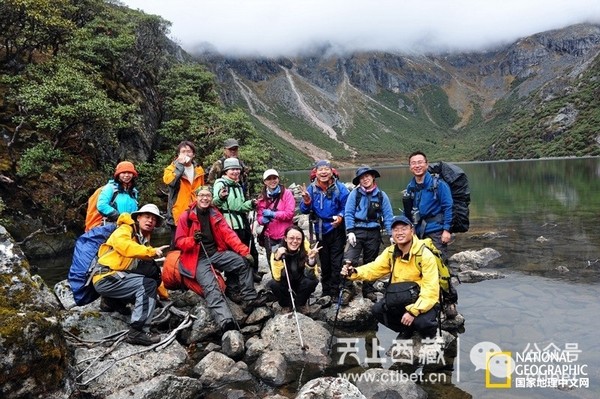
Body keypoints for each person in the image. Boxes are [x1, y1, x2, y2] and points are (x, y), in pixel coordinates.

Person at [175, 186, 267, 331]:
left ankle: (249, 298)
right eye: (202, 195)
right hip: (197, 259)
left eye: (208, 196)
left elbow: (228, 234)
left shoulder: (215, 213)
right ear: (196, 197)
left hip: (215, 253)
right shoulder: (186, 217)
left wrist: (244, 251)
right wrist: (192, 240)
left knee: (243, 263)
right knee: (212, 288)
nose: (205, 198)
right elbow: (179, 241)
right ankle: (226, 321)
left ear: (211, 198)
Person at [341, 215, 440, 339]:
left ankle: (428, 336)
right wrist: (353, 272)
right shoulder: (391, 252)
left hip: (421, 299)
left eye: (403, 229)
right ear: (391, 233)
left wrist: (413, 312)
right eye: (396, 230)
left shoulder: (424, 255)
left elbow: (430, 290)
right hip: (401, 297)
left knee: (423, 323)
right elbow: (374, 268)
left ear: (412, 230)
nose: (399, 233)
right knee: (377, 310)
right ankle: (406, 329)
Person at [92, 204, 169, 346]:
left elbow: (153, 272)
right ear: (138, 217)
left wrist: (164, 296)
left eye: (154, 219)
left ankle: (111, 301)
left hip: (114, 278)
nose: (150, 221)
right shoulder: (125, 229)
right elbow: (123, 246)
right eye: (147, 217)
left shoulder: (142, 239)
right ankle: (137, 332)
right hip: (106, 277)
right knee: (147, 285)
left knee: (151, 272)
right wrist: (151, 252)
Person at [404, 151, 457, 317]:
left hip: (436, 230)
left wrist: (447, 230)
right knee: (420, 267)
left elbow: (448, 207)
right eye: (414, 163)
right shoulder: (411, 187)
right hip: (419, 232)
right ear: (410, 167)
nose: (417, 166)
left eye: (420, 162)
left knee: (441, 266)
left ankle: (449, 301)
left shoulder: (438, 184)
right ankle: (428, 300)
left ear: (426, 165)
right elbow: (408, 214)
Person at [299, 159, 349, 300]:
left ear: (331, 171)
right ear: (316, 172)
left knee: (336, 261)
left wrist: (340, 216)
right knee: (324, 261)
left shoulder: (340, 188)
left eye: (326, 169)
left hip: (336, 229)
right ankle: (326, 290)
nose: (323, 172)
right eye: (320, 169)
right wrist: (307, 201)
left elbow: (347, 207)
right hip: (320, 229)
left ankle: (335, 290)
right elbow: (304, 210)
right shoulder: (311, 188)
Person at [344, 166, 394, 302]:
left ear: (373, 177)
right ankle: (347, 288)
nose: (365, 179)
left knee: (371, 262)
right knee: (349, 259)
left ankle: (368, 288)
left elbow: (388, 216)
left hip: (374, 232)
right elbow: (348, 213)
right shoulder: (355, 194)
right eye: (362, 177)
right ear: (359, 180)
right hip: (357, 230)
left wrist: (391, 234)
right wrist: (350, 231)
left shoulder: (381, 195)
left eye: (367, 176)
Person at [212, 157, 260, 281]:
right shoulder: (220, 183)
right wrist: (221, 197)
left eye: (237, 169)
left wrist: (250, 204)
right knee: (233, 253)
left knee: (250, 249)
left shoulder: (237, 185)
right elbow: (214, 202)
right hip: (228, 223)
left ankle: (251, 273)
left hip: (241, 222)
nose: (235, 172)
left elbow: (240, 206)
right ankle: (233, 282)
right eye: (232, 169)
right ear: (225, 171)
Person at [268, 226, 321, 314]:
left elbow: (312, 276)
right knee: (273, 284)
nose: (295, 241)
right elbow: (277, 277)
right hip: (286, 283)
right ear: (285, 238)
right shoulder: (277, 253)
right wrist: (277, 259)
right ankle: (286, 305)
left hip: (301, 282)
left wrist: (311, 260)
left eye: (298, 239)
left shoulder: (307, 251)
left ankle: (300, 304)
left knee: (312, 281)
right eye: (291, 238)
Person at [163, 141, 205, 245]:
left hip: (196, 212)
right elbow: (171, 182)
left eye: (189, 151)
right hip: (178, 213)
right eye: (183, 151)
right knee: (178, 244)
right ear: (178, 155)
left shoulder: (199, 170)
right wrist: (180, 167)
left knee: (196, 243)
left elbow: (202, 190)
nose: (186, 154)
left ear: (193, 154)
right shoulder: (170, 169)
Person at [256, 169, 295, 266]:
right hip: (269, 237)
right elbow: (259, 217)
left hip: (285, 236)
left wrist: (274, 214)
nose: (272, 181)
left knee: (289, 264)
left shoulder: (287, 194)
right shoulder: (262, 197)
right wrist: (262, 220)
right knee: (273, 263)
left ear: (278, 179)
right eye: (269, 179)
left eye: (274, 178)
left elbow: (289, 214)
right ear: (265, 182)